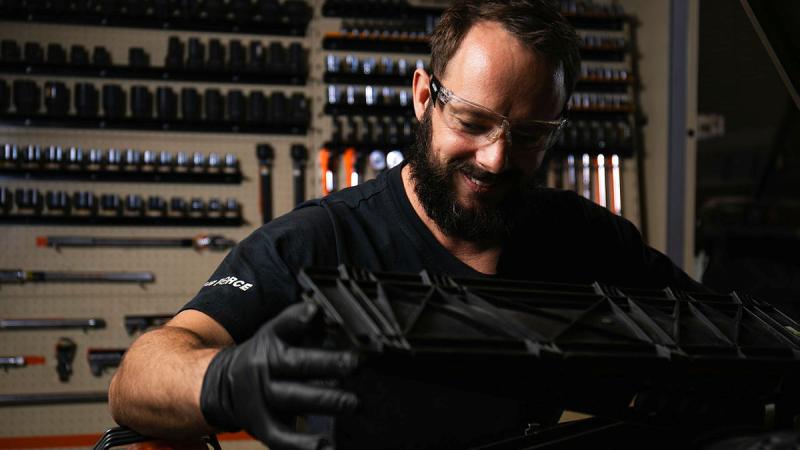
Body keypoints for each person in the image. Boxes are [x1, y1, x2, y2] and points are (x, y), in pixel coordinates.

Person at [109, 1, 705, 449]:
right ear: (424, 97)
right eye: (472, 121)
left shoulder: (582, 237)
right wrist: (224, 378)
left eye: (527, 136)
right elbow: (137, 378)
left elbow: (715, 329)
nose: (495, 158)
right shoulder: (321, 240)